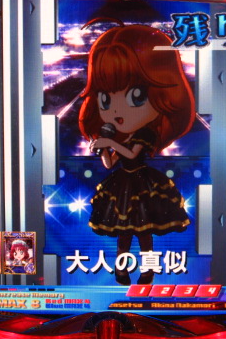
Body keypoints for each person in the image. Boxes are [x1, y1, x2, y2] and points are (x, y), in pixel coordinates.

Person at [79, 19, 195, 285]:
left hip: (143, 184)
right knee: (123, 234)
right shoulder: (119, 136)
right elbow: (111, 164)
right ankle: (121, 270)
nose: (116, 110)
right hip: (122, 185)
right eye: (106, 99)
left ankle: (148, 270)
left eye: (136, 96)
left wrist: (111, 142)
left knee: (144, 235)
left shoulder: (145, 133)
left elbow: (132, 155)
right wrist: (103, 148)